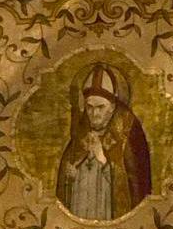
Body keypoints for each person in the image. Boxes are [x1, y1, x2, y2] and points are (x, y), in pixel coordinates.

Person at [56, 63, 152, 220]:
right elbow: (66, 184)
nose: (94, 113)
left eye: (100, 107)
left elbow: (135, 184)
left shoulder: (127, 133)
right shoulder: (81, 133)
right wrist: (70, 176)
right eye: (89, 107)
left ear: (112, 107)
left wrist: (103, 161)